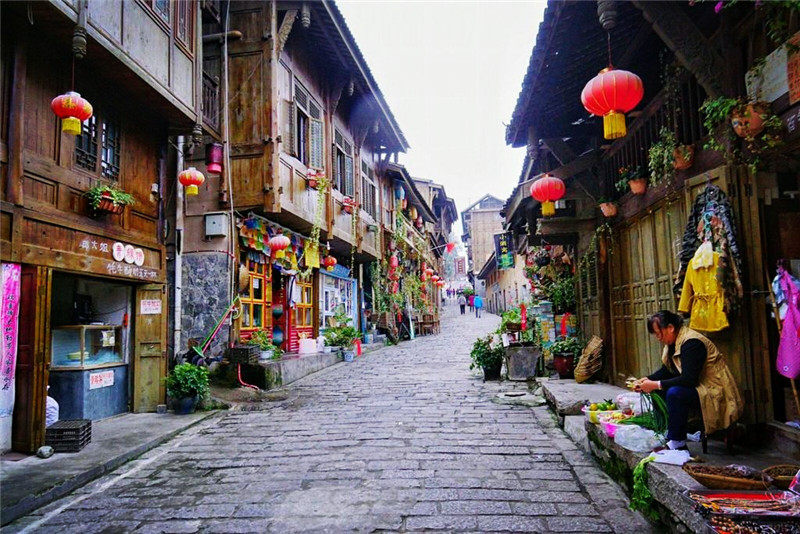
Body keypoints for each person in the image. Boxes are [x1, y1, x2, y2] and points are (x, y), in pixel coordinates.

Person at [633, 310, 743, 451]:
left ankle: (677, 442)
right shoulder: (673, 343)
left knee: (674, 393)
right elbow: (667, 370)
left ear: (670, 328)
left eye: (658, 333)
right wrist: (647, 380)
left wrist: (655, 384)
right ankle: (668, 432)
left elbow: (689, 379)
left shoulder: (692, 343)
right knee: (658, 390)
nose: (658, 338)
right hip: (698, 387)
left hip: (713, 391)